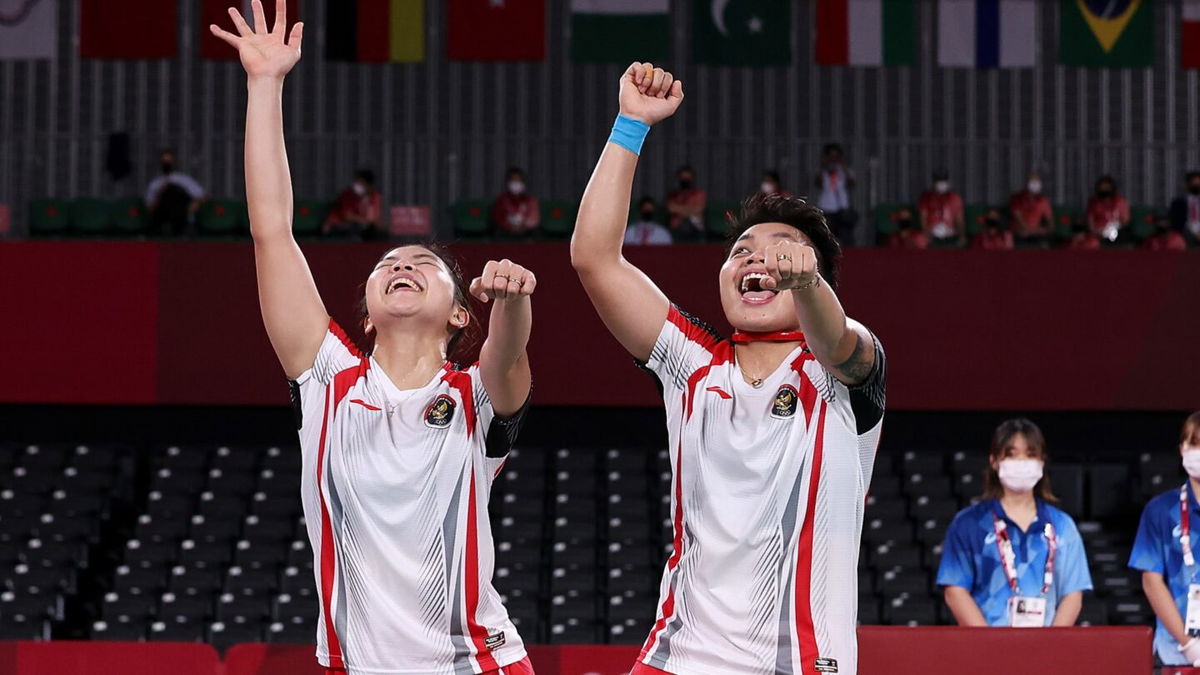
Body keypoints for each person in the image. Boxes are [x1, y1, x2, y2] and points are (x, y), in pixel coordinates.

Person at [211, 4, 536, 674]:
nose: (402, 265)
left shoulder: (476, 395)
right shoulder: (326, 377)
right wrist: (264, 85)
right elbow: (272, 229)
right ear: (364, 313)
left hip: (478, 664)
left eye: (425, 264)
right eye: (388, 263)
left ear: (457, 315)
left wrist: (512, 302)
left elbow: (508, 358)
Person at [572, 62, 885, 675]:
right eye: (742, 251)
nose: (755, 260)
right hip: (678, 658)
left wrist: (810, 283)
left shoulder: (841, 375)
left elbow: (842, 344)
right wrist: (630, 125)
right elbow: (593, 259)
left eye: (779, 251)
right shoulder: (691, 367)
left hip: (800, 663)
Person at [937, 419, 1092, 628]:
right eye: (1011, 454)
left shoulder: (1063, 525)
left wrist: (1052, 645)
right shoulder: (968, 524)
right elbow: (955, 590)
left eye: (1030, 455)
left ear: (1042, 461)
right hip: (986, 650)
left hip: (1047, 650)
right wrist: (989, 644)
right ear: (994, 461)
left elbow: (1072, 593)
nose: (1021, 462)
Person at [1129, 411, 1200, 667]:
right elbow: (1151, 581)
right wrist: (1189, 644)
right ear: (1182, 449)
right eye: (1194, 443)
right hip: (1176, 654)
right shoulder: (1160, 509)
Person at [145, 148, 205, 236]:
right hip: (162, 218)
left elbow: (202, 196)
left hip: (182, 216)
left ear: (174, 162)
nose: (167, 164)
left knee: (174, 190)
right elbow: (150, 208)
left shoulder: (184, 180)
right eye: (164, 161)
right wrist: (160, 194)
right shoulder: (155, 183)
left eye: (169, 161)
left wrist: (195, 203)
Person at [814, 143, 857, 245]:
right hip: (826, 205)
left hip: (842, 205)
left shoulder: (844, 169)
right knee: (826, 233)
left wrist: (843, 166)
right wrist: (823, 167)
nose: (833, 159)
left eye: (836, 156)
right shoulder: (823, 170)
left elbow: (851, 182)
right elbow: (817, 183)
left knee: (845, 232)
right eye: (831, 156)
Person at [322, 169, 383, 240]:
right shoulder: (348, 194)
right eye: (357, 181)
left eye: (360, 182)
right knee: (357, 232)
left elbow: (375, 217)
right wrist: (366, 221)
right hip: (336, 227)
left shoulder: (374, 196)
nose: (357, 184)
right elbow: (348, 216)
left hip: (359, 227)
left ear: (368, 184)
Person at [917, 169, 965, 246]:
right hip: (932, 233)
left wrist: (961, 235)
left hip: (950, 233)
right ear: (934, 182)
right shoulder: (926, 197)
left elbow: (960, 219)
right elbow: (923, 218)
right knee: (919, 240)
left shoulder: (955, 197)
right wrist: (926, 233)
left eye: (943, 180)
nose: (941, 183)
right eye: (939, 180)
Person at [491, 167, 540, 239]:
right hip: (507, 231)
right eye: (513, 180)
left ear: (523, 183)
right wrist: (510, 226)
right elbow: (498, 217)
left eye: (518, 180)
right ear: (508, 182)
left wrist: (523, 226)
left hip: (524, 231)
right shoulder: (501, 200)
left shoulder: (530, 200)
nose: (516, 183)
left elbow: (534, 218)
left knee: (537, 232)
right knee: (497, 231)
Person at [1008, 171, 1054, 245]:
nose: (1035, 183)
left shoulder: (1044, 200)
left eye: (1037, 181)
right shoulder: (1017, 198)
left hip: (1036, 234)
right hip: (1019, 233)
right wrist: (1030, 230)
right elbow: (1018, 219)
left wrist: (1047, 230)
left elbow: (1050, 220)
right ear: (1027, 183)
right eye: (1032, 181)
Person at [665, 165, 706, 242]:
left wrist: (679, 210)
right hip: (676, 229)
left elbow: (698, 210)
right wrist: (690, 209)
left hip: (696, 229)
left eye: (687, 178)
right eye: (683, 178)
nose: (685, 180)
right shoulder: (673, 195)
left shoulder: (698, 193)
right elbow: (671, 208)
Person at [1085, 175, 1130, 243]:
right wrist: (1098, 232)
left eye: (1107, 187)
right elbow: (1090, 222)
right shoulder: (1093, 203)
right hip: (1099, 234)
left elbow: (1125, 220)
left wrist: (1113, 228)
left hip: (1117, 232)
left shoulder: (1120, 201)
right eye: (1102, 187)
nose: (1104, 189)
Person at [1168, 171, 1200, 246]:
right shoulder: (1178, 202)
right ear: (1188, 184)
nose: (1197, 185)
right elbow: (1176, 222)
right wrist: (1195, 232)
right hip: (1186, 231)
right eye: (1194, 183)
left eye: (1199, 183)